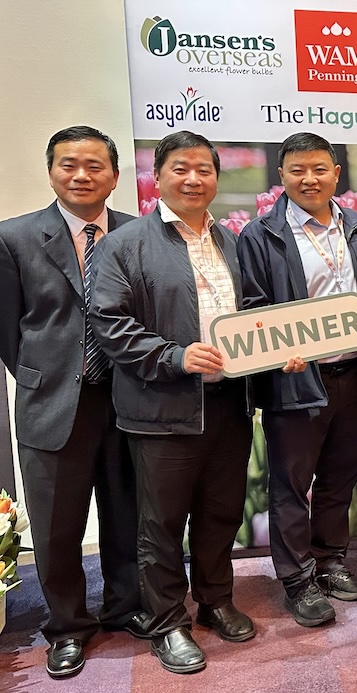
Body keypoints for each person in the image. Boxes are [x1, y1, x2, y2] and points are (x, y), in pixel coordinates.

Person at [90, 131, 302, 675]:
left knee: (220, 511)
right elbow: (110, 324)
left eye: (204, 169)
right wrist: (174, 356)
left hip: (229, 404)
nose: (193, 179)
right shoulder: (124, 243)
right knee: (160, 524)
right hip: (161, 409)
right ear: (157, 177)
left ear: (216, 178)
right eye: (180, 169)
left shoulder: (229, 241)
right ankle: (167, 622)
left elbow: (250, 312)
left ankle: (215, 600)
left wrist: (277, 347)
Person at [0, 126, 147, 679]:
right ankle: (66, 626)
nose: (81, 175)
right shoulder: (13, 237)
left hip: (129, 398)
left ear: (114, 176)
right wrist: (48, 376)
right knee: (56, 525)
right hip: (54, 402)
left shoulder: (138, 233)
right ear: (51, 172)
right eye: (68, 164)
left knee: (128, 512)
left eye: (94, 165)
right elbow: (8, 330)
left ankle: (125, 606)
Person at [237, 132, 357, 626]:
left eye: (319, 169)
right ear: (282, 176)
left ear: (336, 174)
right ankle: (297, 580)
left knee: (341, 477)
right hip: (296, 379)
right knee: (292, 484)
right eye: (297, 170)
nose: (309, 179)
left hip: (351, 373)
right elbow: (252, 306)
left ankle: (330, 561)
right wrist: (277, 351)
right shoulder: (261, 235)